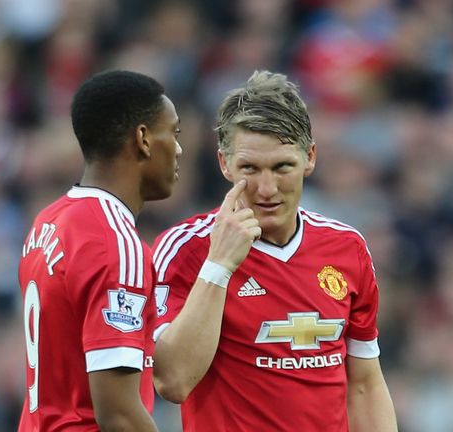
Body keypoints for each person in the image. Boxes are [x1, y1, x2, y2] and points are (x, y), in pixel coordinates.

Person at [151, 71, 398, 431]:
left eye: (283, 167)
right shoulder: (185, 250)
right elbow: (172, 381)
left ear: (310, 157)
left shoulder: (347, 248)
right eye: (249, 168)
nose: (267, 189)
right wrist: (218, 266)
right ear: (224, 164)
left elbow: (364, 384)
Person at [17, 70, 189, 431]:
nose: (178, 149)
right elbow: (119, 415)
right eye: (172, 133)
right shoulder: (115, 244)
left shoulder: (49, 222)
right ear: (143, 138)